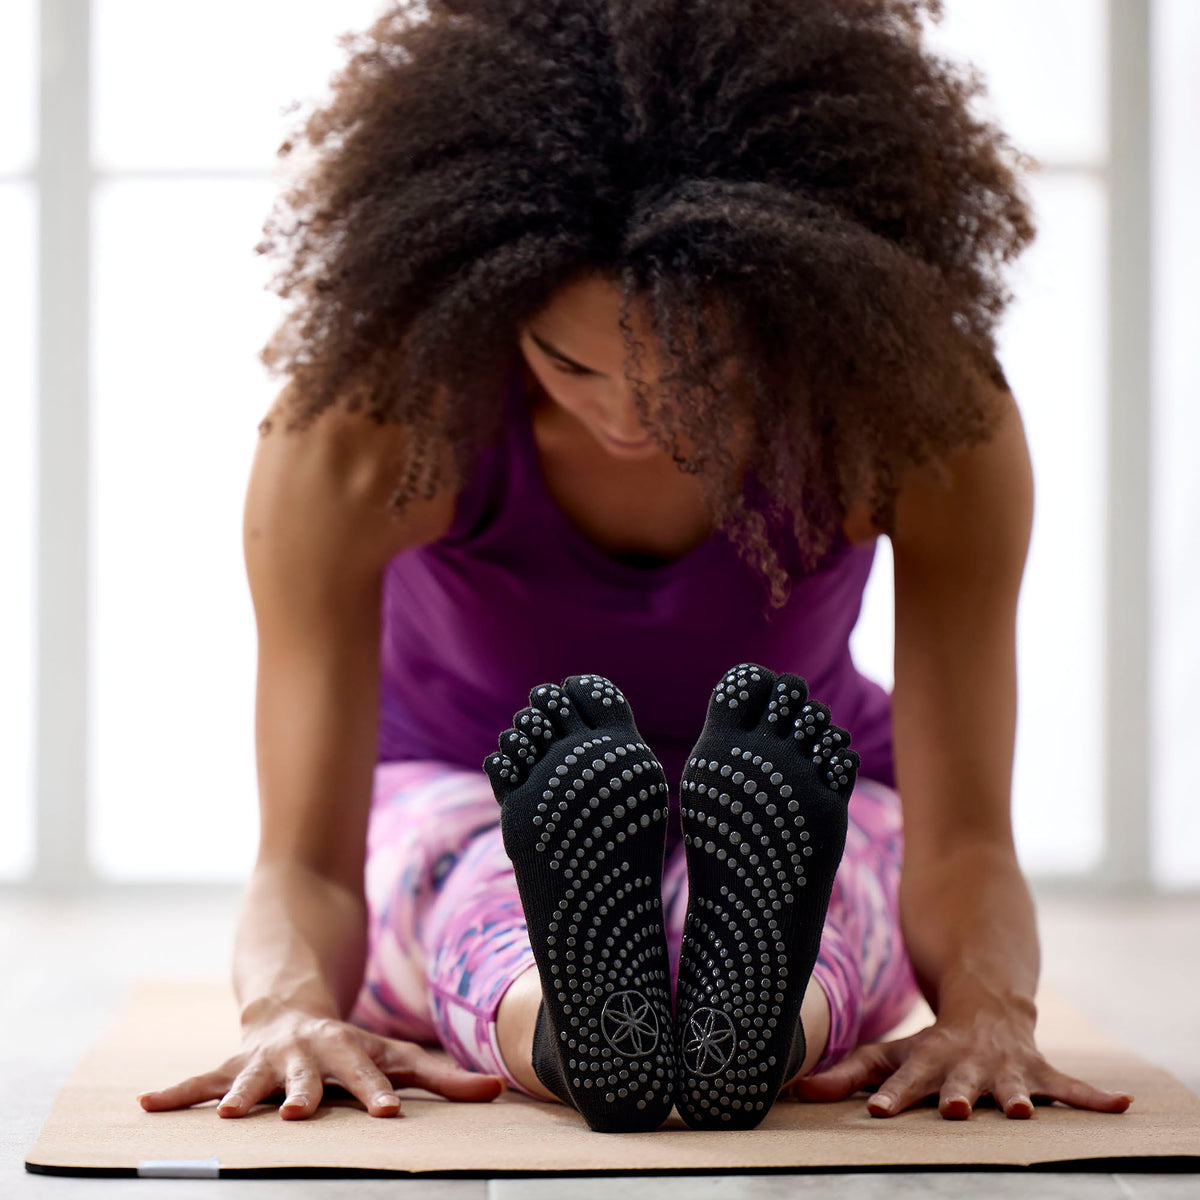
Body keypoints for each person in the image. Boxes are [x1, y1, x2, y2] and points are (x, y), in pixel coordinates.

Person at [136, 0, 1133, 1131]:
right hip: (460, 781)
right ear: (487, 302)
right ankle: (623, 1028)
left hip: (798, 784)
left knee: (842, 883)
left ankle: (704, 1029)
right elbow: (306, 864)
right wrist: (285, 1011)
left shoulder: (915, 421)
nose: (632, 419)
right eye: (572, 364)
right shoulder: (368, 432)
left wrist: (991, 1013)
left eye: (703, 368)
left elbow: (962, 844)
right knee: (470, 876)